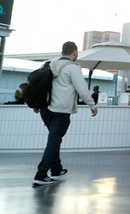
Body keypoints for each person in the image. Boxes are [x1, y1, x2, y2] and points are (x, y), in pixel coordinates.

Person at [33, 41, 98, 186]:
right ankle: (41, 174)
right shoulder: (72, 68)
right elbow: (82, 88)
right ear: (74, 53)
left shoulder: (49, 64)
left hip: (46, 109)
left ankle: (56, 169)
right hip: (61, 111)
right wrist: (92, 105)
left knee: (54, 139)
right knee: (54, 140)